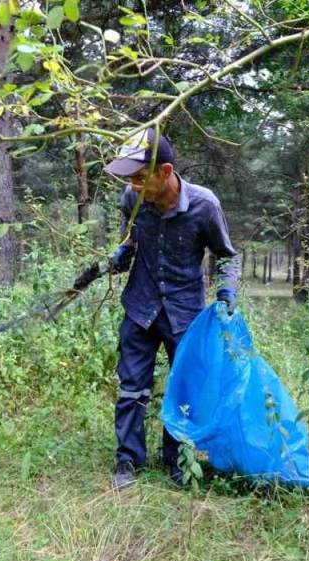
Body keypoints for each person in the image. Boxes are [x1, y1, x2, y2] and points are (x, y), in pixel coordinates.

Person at [102, 129, 239, 490]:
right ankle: (128, 461)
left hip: (184, 315)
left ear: (164, 171)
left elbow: (227, 258)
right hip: (140, 307)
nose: (132, 185)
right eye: (129, 179)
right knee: (132, 387)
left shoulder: (204, 205)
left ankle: (178, 460)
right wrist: (122, 253)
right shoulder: (131, 199)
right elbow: (131, 238)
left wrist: (226, 295)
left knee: (185, 390)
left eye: (138, 177)